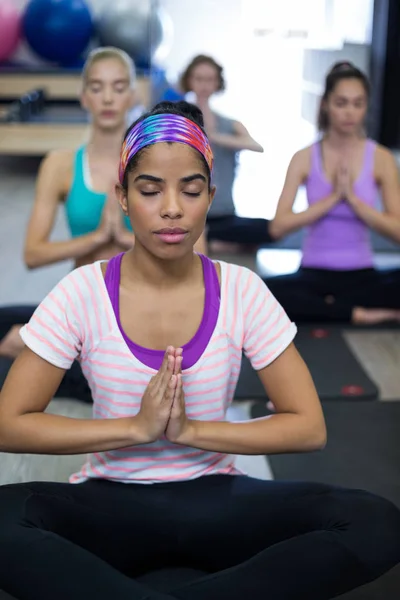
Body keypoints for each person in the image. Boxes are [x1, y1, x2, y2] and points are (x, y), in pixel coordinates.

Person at [0, 100, 399, 600]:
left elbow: (308, 426)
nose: (172, 207)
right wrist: (134, 429)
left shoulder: (242, 289)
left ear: (210, 196)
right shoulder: (82, 292)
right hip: (109, 505)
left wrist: (191, 431)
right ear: (122, 197)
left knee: (374, 520)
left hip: (217, 501)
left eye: (190, 190)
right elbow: (9, 422)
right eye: (150, 190)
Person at [0, 47, 207, 399]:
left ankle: (78, 362)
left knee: (11, 360)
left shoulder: (158, 164)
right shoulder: (60, 165)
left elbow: (199, 258)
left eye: (118, 86)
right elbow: (33, 254)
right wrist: (99, 237)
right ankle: (65, 352)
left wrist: (128, 240)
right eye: (97, 87)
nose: (108, 97)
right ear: (84, 97)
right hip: (80, 304)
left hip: (138, 311)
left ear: (132, 94)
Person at [266, 61, 400, 324]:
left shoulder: (381, 157)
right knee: (260, 292)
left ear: (366, 106)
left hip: (363, 275)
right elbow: (277, 227)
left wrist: (354, 202)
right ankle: (357, 313)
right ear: (326, 104)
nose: (350, 112)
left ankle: (329, 308)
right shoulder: (304, 158)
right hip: (313, 274)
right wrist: (332, 199)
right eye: (341, 103)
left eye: (357, 103)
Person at [180, 54, 273, 253]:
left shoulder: (229, 124)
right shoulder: (179, 122)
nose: (204, 85)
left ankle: (211, 240)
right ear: (189, 80)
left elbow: (256, 146)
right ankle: (210, 240)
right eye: (199, 78)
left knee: (269, 229)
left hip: (222, 214)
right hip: (187, 211)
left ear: (217, 83)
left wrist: (214, 137)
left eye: (210, 79)